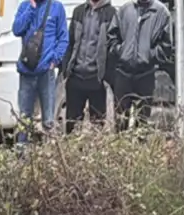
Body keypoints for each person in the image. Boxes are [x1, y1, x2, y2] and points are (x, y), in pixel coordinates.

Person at [106, 0, 175, 128]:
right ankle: (121, 146)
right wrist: (121, 51)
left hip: (146, 75)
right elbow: (111, 38)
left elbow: (166, 46)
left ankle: (140, 146)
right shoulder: (124, 10)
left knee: (143, 123)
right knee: (121, 122)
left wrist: (149, 55)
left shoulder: (161, 13)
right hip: (123, 74)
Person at [12, 0, 69, 143]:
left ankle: (48, 156)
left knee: (49, 120)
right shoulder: (25, 6)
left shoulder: (57, 7)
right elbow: (17, 29)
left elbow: (63, 38)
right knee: (24, 119)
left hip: (46, 72)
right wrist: (31, 9)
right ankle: (21, 155)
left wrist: (54, 60)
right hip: (26, 72)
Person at [62, 0, 118, 133]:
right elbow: (70, 43)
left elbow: (113, 48)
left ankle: (93, 153)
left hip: (97, 79)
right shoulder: (78, 11)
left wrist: (107, 77)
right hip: (75, 77)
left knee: (97, 126)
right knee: (72, 125)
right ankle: (71, 153)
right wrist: (65, 71)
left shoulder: (111, 14)